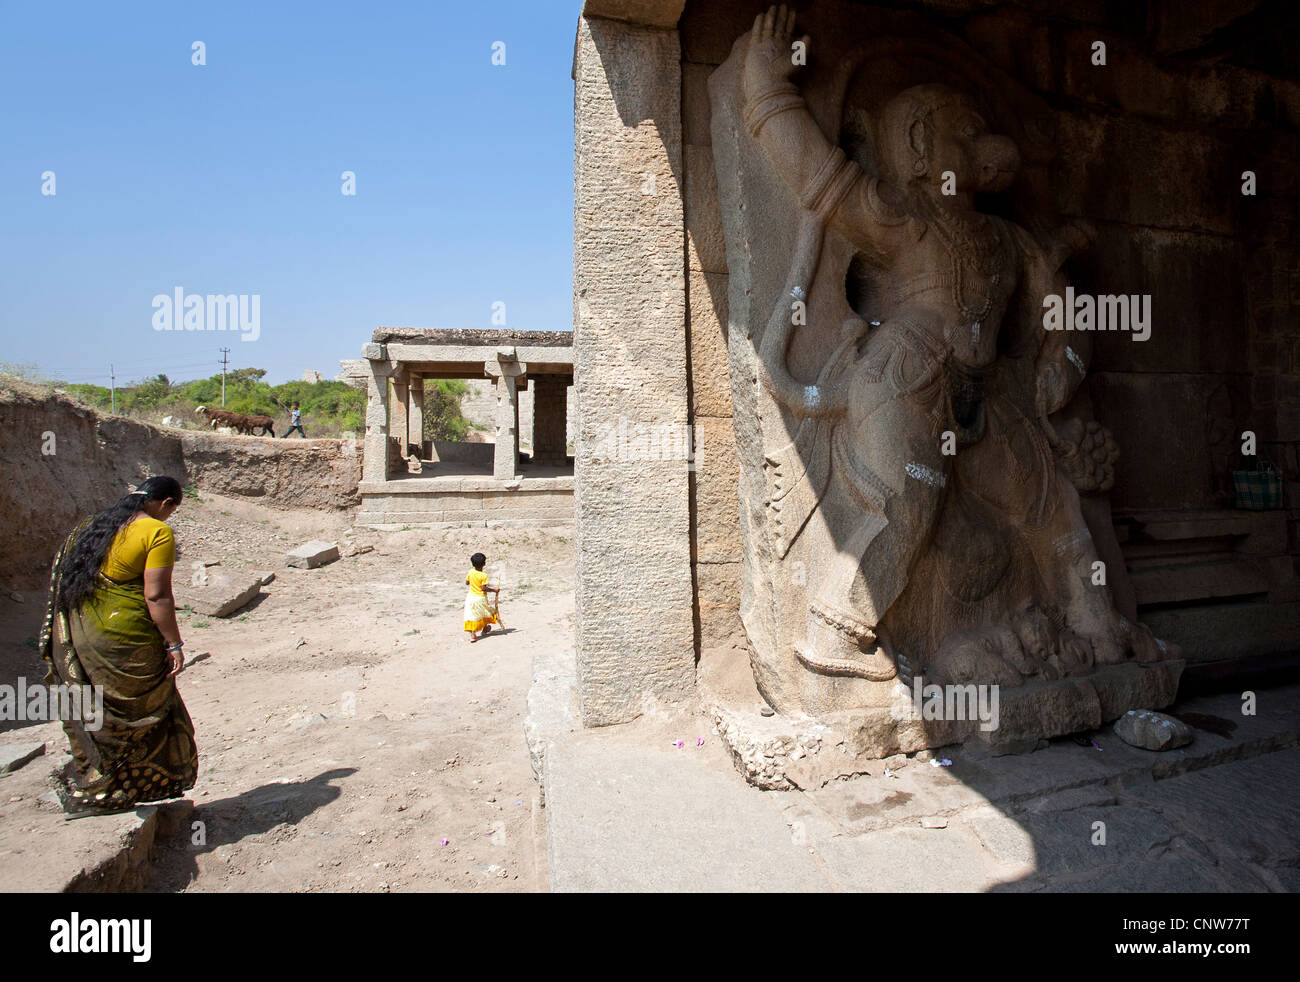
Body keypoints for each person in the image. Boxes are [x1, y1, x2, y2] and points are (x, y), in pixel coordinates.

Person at [39, 476, 198, 817]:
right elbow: (156, 595)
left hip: (81, 635)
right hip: (125, 637)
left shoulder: (90, 526)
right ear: (167, 504)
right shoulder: (156, 532)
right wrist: (174, 643)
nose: (169, 517)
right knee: (146, 709)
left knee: (91, 705)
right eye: (171, 511)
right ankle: (123, 788)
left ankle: (94, 784)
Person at [463, 552, 501, 643]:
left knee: (473, 615)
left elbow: (467, 583)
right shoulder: (484, 575)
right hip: (480, 598)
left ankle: (473, 635)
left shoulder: (470, 572)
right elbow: (483, 588)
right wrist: (494, 590)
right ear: (484, 563)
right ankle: (485, 628)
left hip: (471, 597)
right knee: (485, 612)